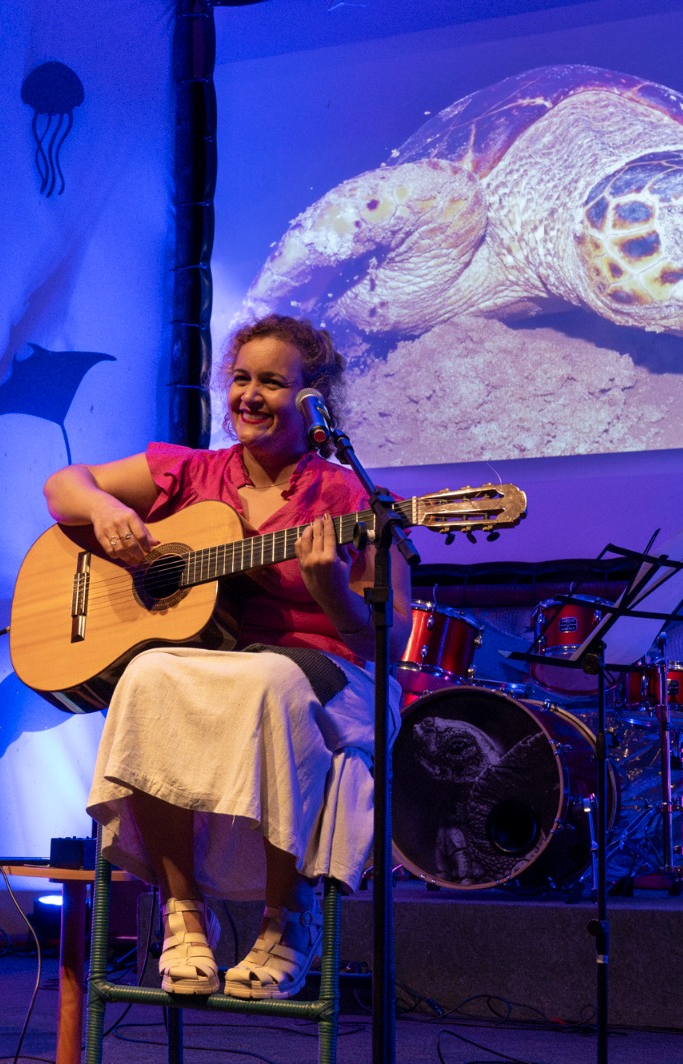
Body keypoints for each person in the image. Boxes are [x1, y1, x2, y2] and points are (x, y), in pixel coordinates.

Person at [43, 313, 411, 1000]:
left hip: (330, 672)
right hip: (223, 669)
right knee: (147, 673)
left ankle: (287, 922)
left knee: (271, 679)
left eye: (272, 383)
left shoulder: (347, 497)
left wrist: (332, 590)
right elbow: (63, 484)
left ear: (314, 399)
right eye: (241, 378)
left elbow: (385, 642)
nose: (249, 395)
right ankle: (183, 913)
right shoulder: (189, 472)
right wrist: (99, 509)